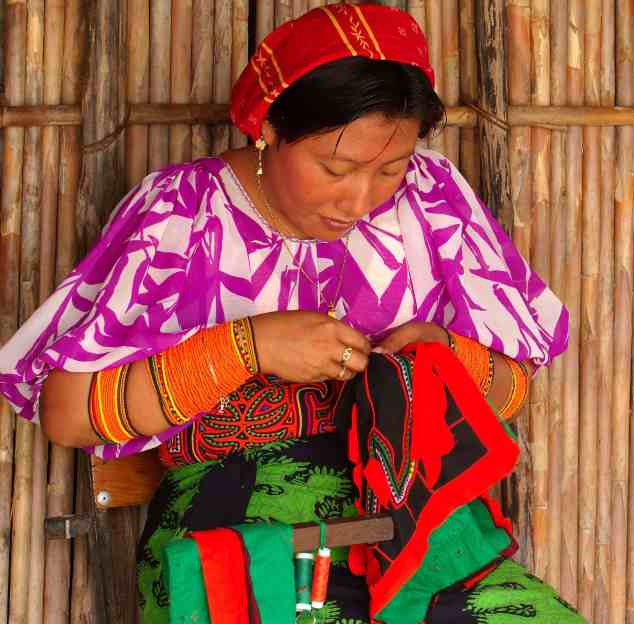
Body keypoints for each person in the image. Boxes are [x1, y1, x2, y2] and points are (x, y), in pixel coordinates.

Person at [0, 3, 583, 623]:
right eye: (335, 168)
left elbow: (511, 390)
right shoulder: (183, 214)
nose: (359, 199)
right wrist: (248, 348)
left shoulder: (433, 197)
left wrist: (443, 355)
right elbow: (66, 413)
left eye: (390, 169)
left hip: (416, 537)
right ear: (270, 126)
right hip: (238, 538)